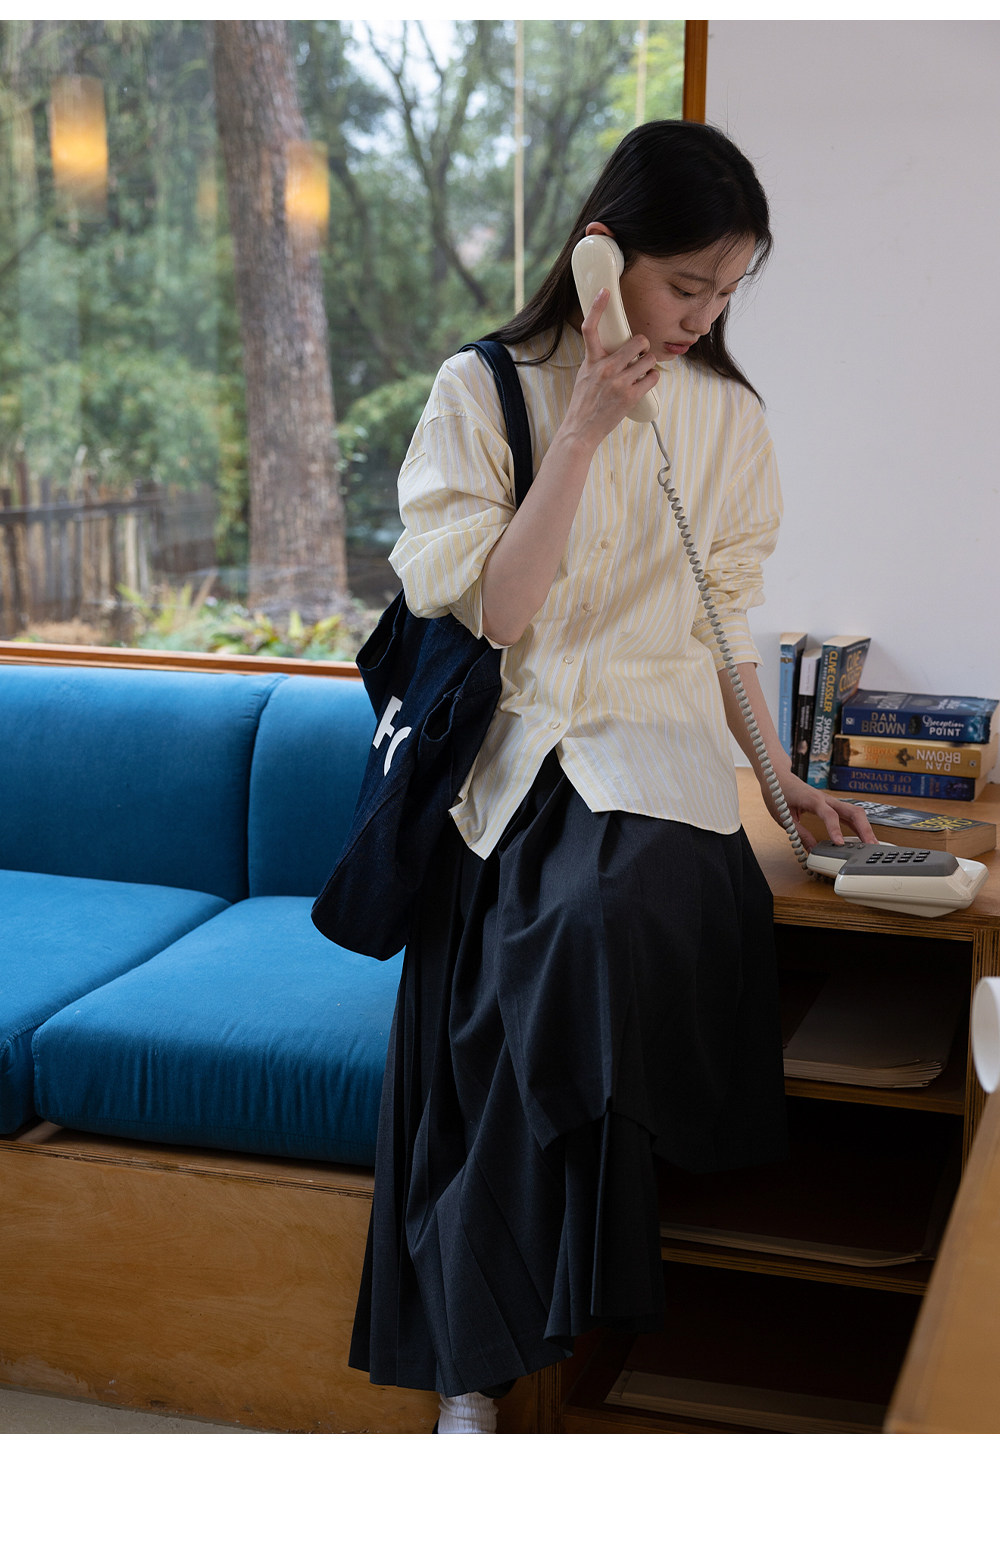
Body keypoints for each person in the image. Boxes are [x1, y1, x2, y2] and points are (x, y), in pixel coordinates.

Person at [349, 119, 875, 1434]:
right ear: (603, 254)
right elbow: (500, 612)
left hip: (659, 756)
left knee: (598, 926)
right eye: (686, 285)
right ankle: (479, 1368)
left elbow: (721, 619)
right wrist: (582, 428)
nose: (703, 319)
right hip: (516, 757)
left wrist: (784, 776)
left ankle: (524, 1330)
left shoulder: (729, 421)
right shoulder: (481, 392)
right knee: (531, 955)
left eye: (727, 293)